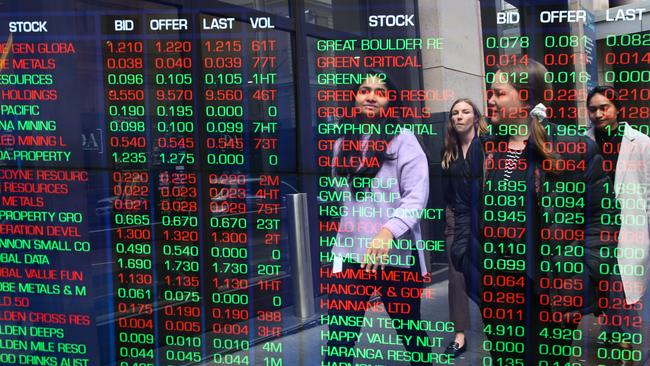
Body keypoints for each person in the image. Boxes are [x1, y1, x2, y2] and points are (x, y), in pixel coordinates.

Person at [451, 59, 619, 365]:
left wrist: (586, 273)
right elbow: (464, 206)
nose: (489, 99)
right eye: (490, 92)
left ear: (525, 96)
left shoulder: (574, 148)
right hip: (497, 294)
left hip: (553, 293)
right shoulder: (484, 149)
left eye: (499, 93)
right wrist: (464, 253)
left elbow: (603, 217)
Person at [321, 72, 436, 366]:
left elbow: (416, 197)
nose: (371, 96)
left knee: (410, 331)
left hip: (395, 256)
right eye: (364, 90)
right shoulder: (340, 144)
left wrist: (388, 231)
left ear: (389, 101)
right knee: (339, 336)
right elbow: (340, 193)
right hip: (350, 255)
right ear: (354, 98)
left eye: (379, 91)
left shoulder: (405, 141)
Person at [586, 85, 650, 363]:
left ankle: (624, 338)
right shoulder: (583, 142)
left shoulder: (641, 142)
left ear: (616, 108)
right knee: (605, 282)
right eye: (593, 109)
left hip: (630, 224)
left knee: (626, 285)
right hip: (596, 226)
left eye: (604, 107)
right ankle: (613, 331)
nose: (598, 114)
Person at [440, 98, 488, 357]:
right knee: (456, 278)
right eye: (455, 113)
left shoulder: (489, 146)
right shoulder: (448, 152)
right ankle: (459, 335)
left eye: (465, 112)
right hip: (455, 219)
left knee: (486, 275)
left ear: (475, 117)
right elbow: (446, 192)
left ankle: (497, 326)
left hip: (486, 219)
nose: (459, 116)